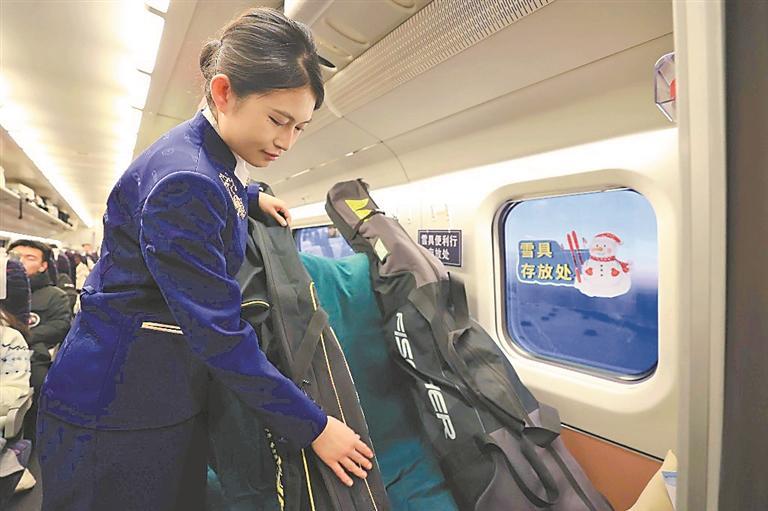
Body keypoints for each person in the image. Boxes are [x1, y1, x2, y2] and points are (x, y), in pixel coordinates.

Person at [37, 8, 373, 511]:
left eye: (300, 127)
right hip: (116, 410)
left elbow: (223, 183)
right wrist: (314, 426)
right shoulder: (185, 183)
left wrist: (253, 197)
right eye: (278, 120)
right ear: (223, 92)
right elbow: (220, 333)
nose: (286, 141)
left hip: (158, 389)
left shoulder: (208, 156)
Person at [7, 240, 72, 442]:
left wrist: (21, 337)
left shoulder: (55, 296)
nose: (20, 261)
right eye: (16, 256)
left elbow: (60, 325)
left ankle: (35, 437)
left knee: (40, 383)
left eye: (30, 258)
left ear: (44, 266)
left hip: (33, 352)